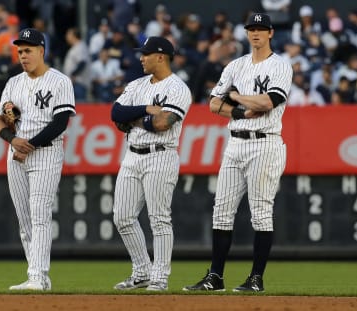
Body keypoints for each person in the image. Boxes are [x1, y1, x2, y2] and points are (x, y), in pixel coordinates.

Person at [183, 13, 292, 292]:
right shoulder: (236, 65)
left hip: (265, 142)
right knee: (221, 212)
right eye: (251, 29)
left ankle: (256, 279)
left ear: (270, 34)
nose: (255, 33)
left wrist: (235, 96)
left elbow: (269, 101)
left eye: (261, 29)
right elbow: (212, 104)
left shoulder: (280, 66)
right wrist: (241, 109)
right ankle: (215, 277)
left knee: (260, 214)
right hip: (235, 143)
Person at [0, 28, 75, 291]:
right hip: (15, 154)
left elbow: (61, 122)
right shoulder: (13, 83)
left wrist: (28, 145)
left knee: (39, 215)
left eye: (28, 50)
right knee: (25, 221)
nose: (23, 55)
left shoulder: (60, 81)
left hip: (46, 152)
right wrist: (12, 139)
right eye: (19, 51)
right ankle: (36, 276)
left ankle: (38, 276)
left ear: (41, 51)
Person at [111, 36, 192, 291]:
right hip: (132, 154)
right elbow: (116, 113)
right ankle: (142, 271)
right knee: (122, 217)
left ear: (161, 56)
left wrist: (134, 118)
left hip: (161, 154)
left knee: (159, 219)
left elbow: (162, 124)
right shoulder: (137, 84)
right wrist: (147, 109)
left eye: (145, 54)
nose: (141, 58)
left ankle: (160, 277)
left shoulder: (178, 88)